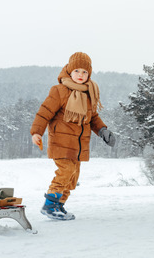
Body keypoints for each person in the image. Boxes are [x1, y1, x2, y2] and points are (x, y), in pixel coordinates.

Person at [30, 52, 116, 221]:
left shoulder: (89, 93)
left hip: (78, 146)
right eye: (77, 71)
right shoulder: (59, 91)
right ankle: (49, 204)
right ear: (69, 71)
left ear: (89, 74)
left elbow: (93, 118)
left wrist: (102, 130)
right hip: (61, 142)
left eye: (84, 72)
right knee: (66, 171)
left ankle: (59, 204)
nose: (80, 75)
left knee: (72, 177)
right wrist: (37, 132)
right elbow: (44, 112)